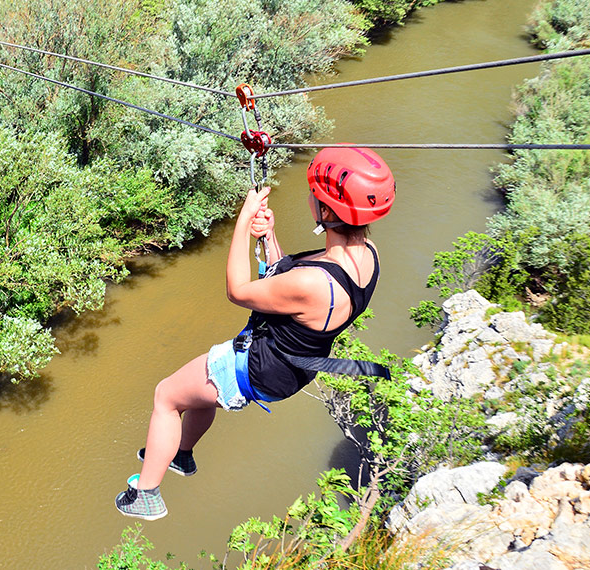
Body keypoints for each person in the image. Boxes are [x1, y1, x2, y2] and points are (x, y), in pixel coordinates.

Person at [115, 147, 396, 520]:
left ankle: (146, 495)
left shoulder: (315, 284)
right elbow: (287, 281)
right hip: (291, 368)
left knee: (166, 395)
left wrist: (243, 222)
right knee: (198, 395)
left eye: (315, 196)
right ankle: (181, 454)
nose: (311, 199)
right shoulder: (367, 254)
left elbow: (239, 291)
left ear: (326, 212)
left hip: (257, 367)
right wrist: (268, 236)